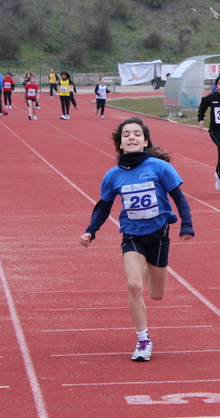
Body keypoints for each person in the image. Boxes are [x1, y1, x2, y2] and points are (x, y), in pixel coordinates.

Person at [79, 117, 194, 362]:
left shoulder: (159, 168)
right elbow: (102, 207)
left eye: (137, 134)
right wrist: (91, 230)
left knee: (156, 294)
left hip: (159, 235)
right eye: (126, 135)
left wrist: (187, 224)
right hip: (131, 235)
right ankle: (143, 340)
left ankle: (145, 269)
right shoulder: (112, 175)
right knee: (133, 285)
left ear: (145, 140)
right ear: (119, 144)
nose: (132, 137)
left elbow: (180, 199)